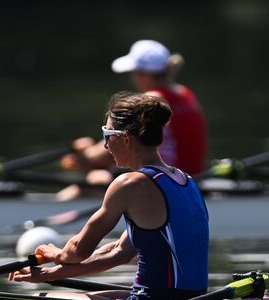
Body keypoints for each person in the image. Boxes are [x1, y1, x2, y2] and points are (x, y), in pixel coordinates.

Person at [6, 92, 208, 300]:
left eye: (106, 135)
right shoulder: (186, 180)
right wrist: (52, 274)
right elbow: (118, 252)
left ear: (126, 139)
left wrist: (57, 255)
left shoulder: (130, 184)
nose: (104, 145)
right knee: (59, 298)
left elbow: (79, 249)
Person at [63, 39, 208, 193]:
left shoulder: (151, 102)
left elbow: (109, 148)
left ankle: (56, 209)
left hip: (163, 182)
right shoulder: (186, 95)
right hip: (190, 180)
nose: (133, 79)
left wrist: (83, 154)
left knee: (97, 177)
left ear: (143, 74)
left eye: (134, 73)